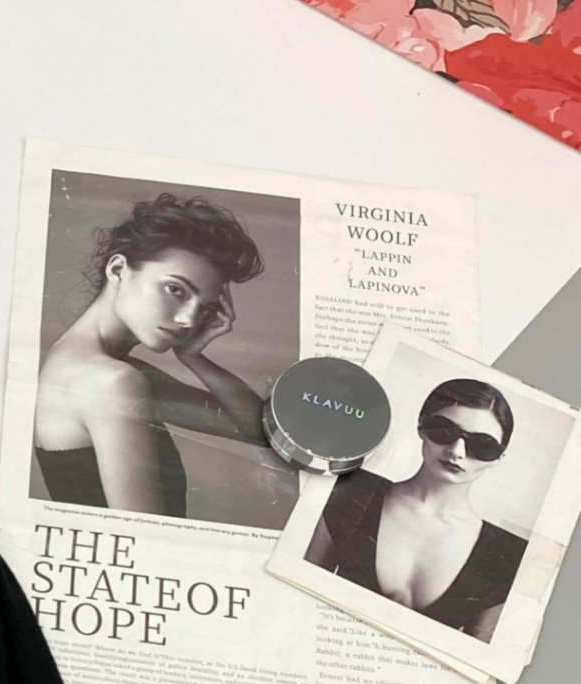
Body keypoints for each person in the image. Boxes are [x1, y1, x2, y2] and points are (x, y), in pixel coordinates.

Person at [33, 191, 272, 518]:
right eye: (176, 290)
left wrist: (193, 357)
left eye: (205, 307)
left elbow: (261, 431)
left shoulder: (89, 364)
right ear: (119, 270)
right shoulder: (112, 381)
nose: (188, 320)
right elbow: (143, 537)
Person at [304, 378, 524, 642]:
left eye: (483, 445)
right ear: (421, 425)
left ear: (499, 457)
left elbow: (476, 656)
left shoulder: (504, 553)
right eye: (444, 431)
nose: (457, 451)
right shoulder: (353, 491)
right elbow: (300, 595)